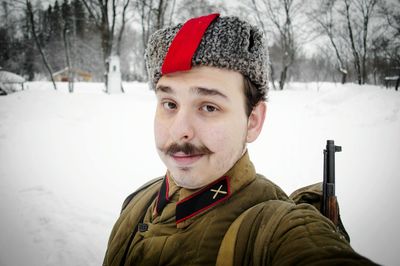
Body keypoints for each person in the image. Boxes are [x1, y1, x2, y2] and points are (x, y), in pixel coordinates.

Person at [103, 14, 377, 266]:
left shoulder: (271, 229)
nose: (179, 131)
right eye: (169, 103)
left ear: (253, 121)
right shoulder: (138, 200)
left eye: (208, 107)